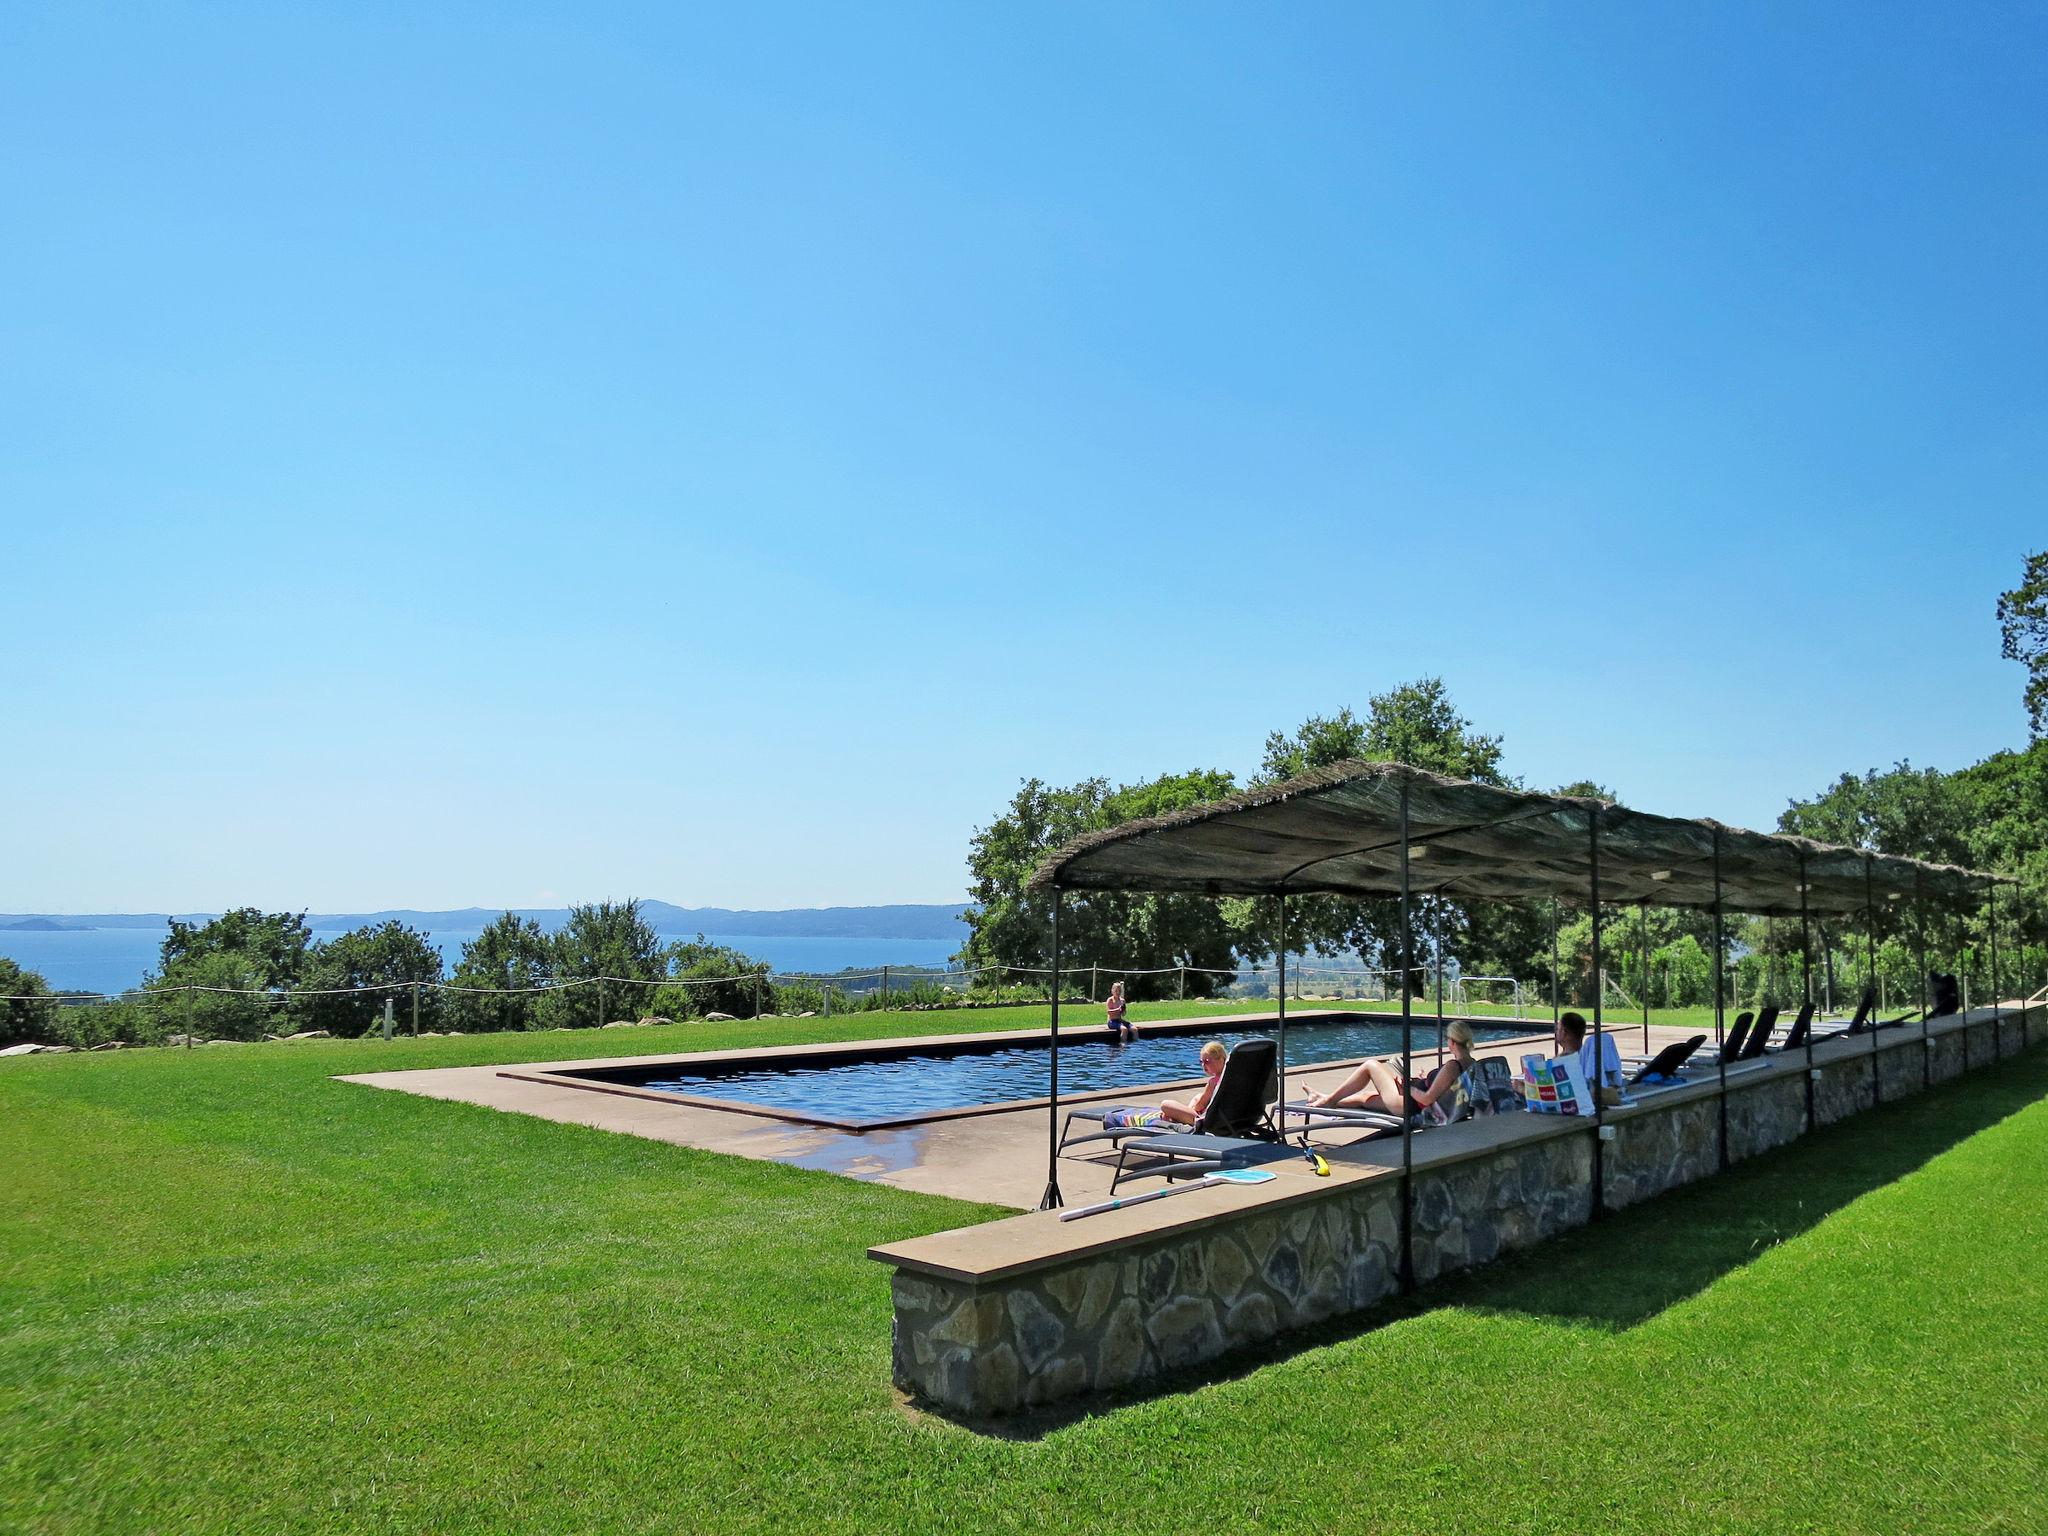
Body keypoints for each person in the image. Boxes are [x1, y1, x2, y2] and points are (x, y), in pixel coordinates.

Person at [1305, 1019, 1476, 1117]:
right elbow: (1442, 1090)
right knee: (1365, 1098)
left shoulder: (1452, 1066)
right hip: (1414, 1103)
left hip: (1411, 1106)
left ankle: (1328, 1101)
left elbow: (1427, 1099)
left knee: (1370, 1065)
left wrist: (1408, 1087)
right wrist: (1422, 1080)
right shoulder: (1471, 1064)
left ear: (1452, 1042)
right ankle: (1322, 1098)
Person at [1102, 1039, 1224, 1129]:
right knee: (1197, 1096)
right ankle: (1179, 1115)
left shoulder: (1213, 1082)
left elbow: (1200, 1105)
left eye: (1207, 1061)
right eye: (1201, 1062)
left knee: (1166, 1105)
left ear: (1220, 1059)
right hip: (1224, 1119)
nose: (1203, 1065)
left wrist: (1192, 1110)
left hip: (1206, 1121)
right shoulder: (1230, 1078)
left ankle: (1179, 1117)